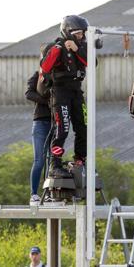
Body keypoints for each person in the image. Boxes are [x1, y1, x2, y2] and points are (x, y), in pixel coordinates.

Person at [40, 15, 89, 178]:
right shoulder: (57, 47)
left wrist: (76, 48)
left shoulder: (82, 48)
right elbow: (45, 67)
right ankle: (55, 164)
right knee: (63, 128)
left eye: (83, 34)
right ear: (68, 32)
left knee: (83, 126)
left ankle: (80, 160)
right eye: (78, 34)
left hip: (77, 92)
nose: (81, 37)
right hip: (61, 93)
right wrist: (58, 49)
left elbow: (92, 62)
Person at [25, 69, 51, 203]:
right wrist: (45, 101)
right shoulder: (37, 74)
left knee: (52, 160)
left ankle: (49, 193)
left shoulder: (61, 74)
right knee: (39, 160)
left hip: (55, 122)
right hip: (40, 121)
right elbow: (28, 93)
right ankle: (34, 193)